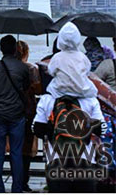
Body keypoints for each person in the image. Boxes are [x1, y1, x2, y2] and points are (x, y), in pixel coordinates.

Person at [32, 23, 106, 192]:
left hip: (56, 160)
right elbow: (101, 129)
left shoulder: (47, 99)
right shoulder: (90, 99)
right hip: (85, 160)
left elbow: (37, 129)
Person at [0, 35, 30, 193]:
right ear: (15, 49)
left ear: (1, 49)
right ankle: (17, 188)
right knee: (16, 152)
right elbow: (26, 88)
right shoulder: (23, 68)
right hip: (17, 115)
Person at [16, 41, 42, 192]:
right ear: (26, 52)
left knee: (13, 147)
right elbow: (38, 90)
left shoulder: (9, 67)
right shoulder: (32, 68)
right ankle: (24, 181)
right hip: (28, 111)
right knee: (26, 148)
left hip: (12, 110)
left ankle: (15, 180)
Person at [46, 23, 97, 100]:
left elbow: (51, 72)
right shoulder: (82, 57)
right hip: (82, 92)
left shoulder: (57, 57)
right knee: (94, 102)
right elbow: (87, 71)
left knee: (45, 100)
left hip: (59, 92)